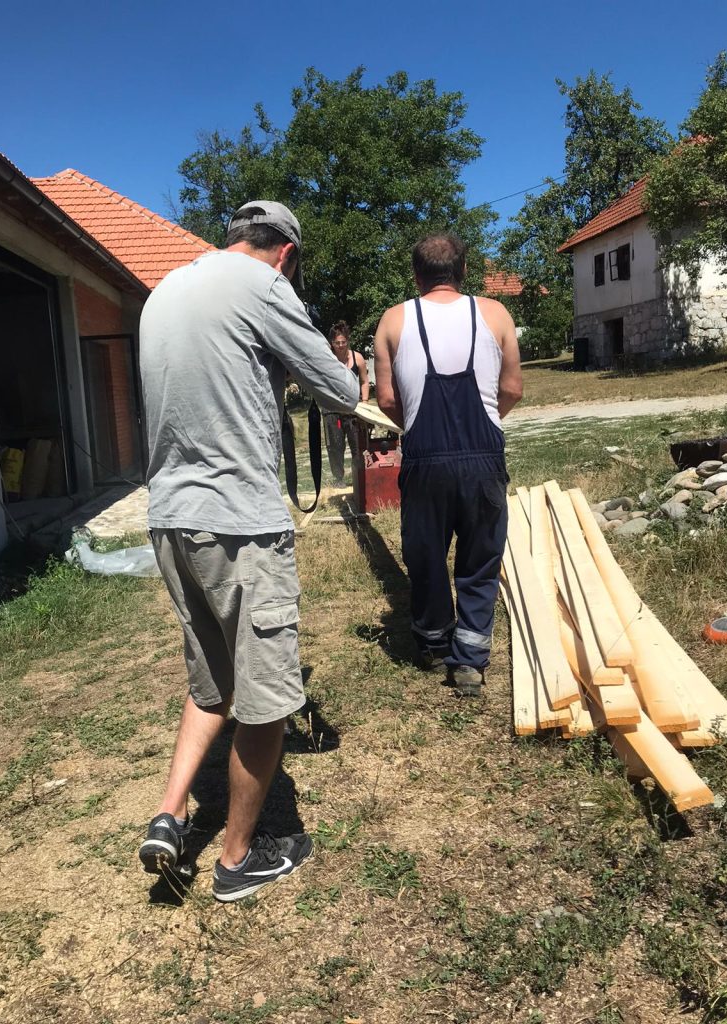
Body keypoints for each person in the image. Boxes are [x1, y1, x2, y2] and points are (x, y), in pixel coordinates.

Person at [138, 201, 359, 902]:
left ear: (234, 237)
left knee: (213, 682)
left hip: (173, 521)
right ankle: (237, 861)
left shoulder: (166, 290)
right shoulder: (265, 288)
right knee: (264, 701)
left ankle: (170, 815)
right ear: (286, 253)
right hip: (238, 524)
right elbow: (342, 392)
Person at [373, 234, 523, 698]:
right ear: (463, 272)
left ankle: (435, 641)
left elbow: (386, 400)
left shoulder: (394, 320)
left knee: (426, 557)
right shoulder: (495, 314)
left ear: (416, 275)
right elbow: (513, 388)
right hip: (483, 461)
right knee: (480, 559)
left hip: (424, 460)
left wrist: (418, 424)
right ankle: (470, 662)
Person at [323, 320, 369, 485]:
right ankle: (338, 479)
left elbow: (364, 382)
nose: (341, 345)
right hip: (332, 409)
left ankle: (361, 475)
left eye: (343, 342)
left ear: (348, 341)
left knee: (358, 445)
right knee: (335, 446)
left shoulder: (357, 358)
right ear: (332, 343)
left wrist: (364, 403)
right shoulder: (327, 359)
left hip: (354, 409)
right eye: (337, 343)